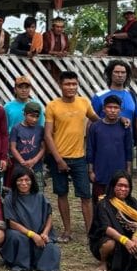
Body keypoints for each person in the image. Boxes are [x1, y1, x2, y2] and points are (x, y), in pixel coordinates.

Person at [44, 71, 98, 241]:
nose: (71, 87)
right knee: (62, 194)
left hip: (79, 157)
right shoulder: (52, 105)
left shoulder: (84, 102)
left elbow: (97, 119)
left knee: (86, 196)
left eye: (74, 84)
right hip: (58, 157)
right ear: (60, 85)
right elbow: (47, 135)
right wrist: (58, 159)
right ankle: (67, 231)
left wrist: (119, 120)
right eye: (67, 84)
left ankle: (91, 233)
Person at [1, 166, 61, 271]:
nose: (24, 183)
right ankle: (22, 264)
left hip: (40, 233)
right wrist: (31, 234)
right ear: (15, 181)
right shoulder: (9, 199)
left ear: (32, 181)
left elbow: (49, 216)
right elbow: (11, 223)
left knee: (51, 248)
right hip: (22, 234)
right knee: (16, 237)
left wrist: (45, 233)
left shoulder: (40, 197)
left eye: (27, 180)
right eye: (20, 180)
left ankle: (38, 264)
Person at [87, 95, 134, 198]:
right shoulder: (95, 127)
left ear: (120, 110)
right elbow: (90, 149)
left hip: (119, 173)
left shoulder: (125, 126)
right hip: (100, 172)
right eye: (109, 107)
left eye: (116, 108)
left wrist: (128, 171)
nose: (112, 110)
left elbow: (128, 150)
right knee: (99, 203)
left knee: (118, 203)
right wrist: (90, 171)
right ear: (104, 109)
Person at [90, 60, 137, 126]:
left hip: (128, 136)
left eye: (123, 72)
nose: (120, 75)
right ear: (110, 74)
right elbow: (91, 123)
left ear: (127, 75)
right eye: (116, 72)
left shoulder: (131, 95)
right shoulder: (99, 96)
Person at [9, 102, 46, 190]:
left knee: (38, 192)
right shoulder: (16, 128)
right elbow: (13, 148)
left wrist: (34, 160)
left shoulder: (40, 129)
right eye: (31, 116)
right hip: (20, 168)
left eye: (37, 116)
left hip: (36, 168)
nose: (34, 119)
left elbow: (43, 148)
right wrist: (23, 162)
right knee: (20, 193)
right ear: (25, 114)